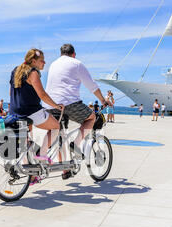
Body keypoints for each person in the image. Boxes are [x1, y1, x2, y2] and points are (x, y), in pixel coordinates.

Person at [43, 43, 109, 173]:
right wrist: (103, 100)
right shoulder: (76, 63)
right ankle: (76, 144)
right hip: (69, 103)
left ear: (61, 54)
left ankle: (64, 170)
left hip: (50, 104)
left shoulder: (53, 64)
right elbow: (92, 86)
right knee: (91, 118)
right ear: (74, 54)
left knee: (59, 133)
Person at [9, 48, 64, 185]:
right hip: (32, 111)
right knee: (56, 127)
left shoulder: (16, 70)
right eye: (42, 60)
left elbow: (11, 91)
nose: (44, 63)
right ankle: (42, 153)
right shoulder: (33, 73)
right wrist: (57, 106)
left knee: (25, 141)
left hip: (15, 112)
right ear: (33, 61)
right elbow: (42, 95)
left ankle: (31, 174)